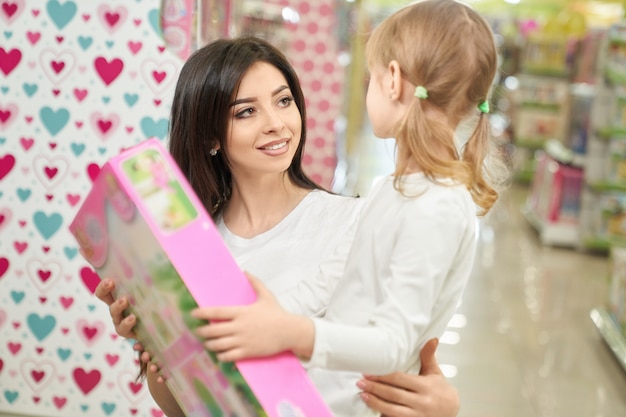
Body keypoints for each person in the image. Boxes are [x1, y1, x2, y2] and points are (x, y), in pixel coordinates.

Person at [94, 35, 461, 417]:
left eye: (283, 101)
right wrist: (155, 340)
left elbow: (398, 351)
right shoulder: (190, 249)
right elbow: (184, 407)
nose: (276, 124)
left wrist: (441, 404)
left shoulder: (355, 221)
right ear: (209, 136)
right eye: (245, 112)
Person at [190, 2, 506, 417]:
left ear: (392, 80)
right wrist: (244, 321)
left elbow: (393, 343)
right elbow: (327, 282)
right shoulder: (389, 191)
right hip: (319, 399)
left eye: (370, 77)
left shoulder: (438, 207)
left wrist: (289, 332)